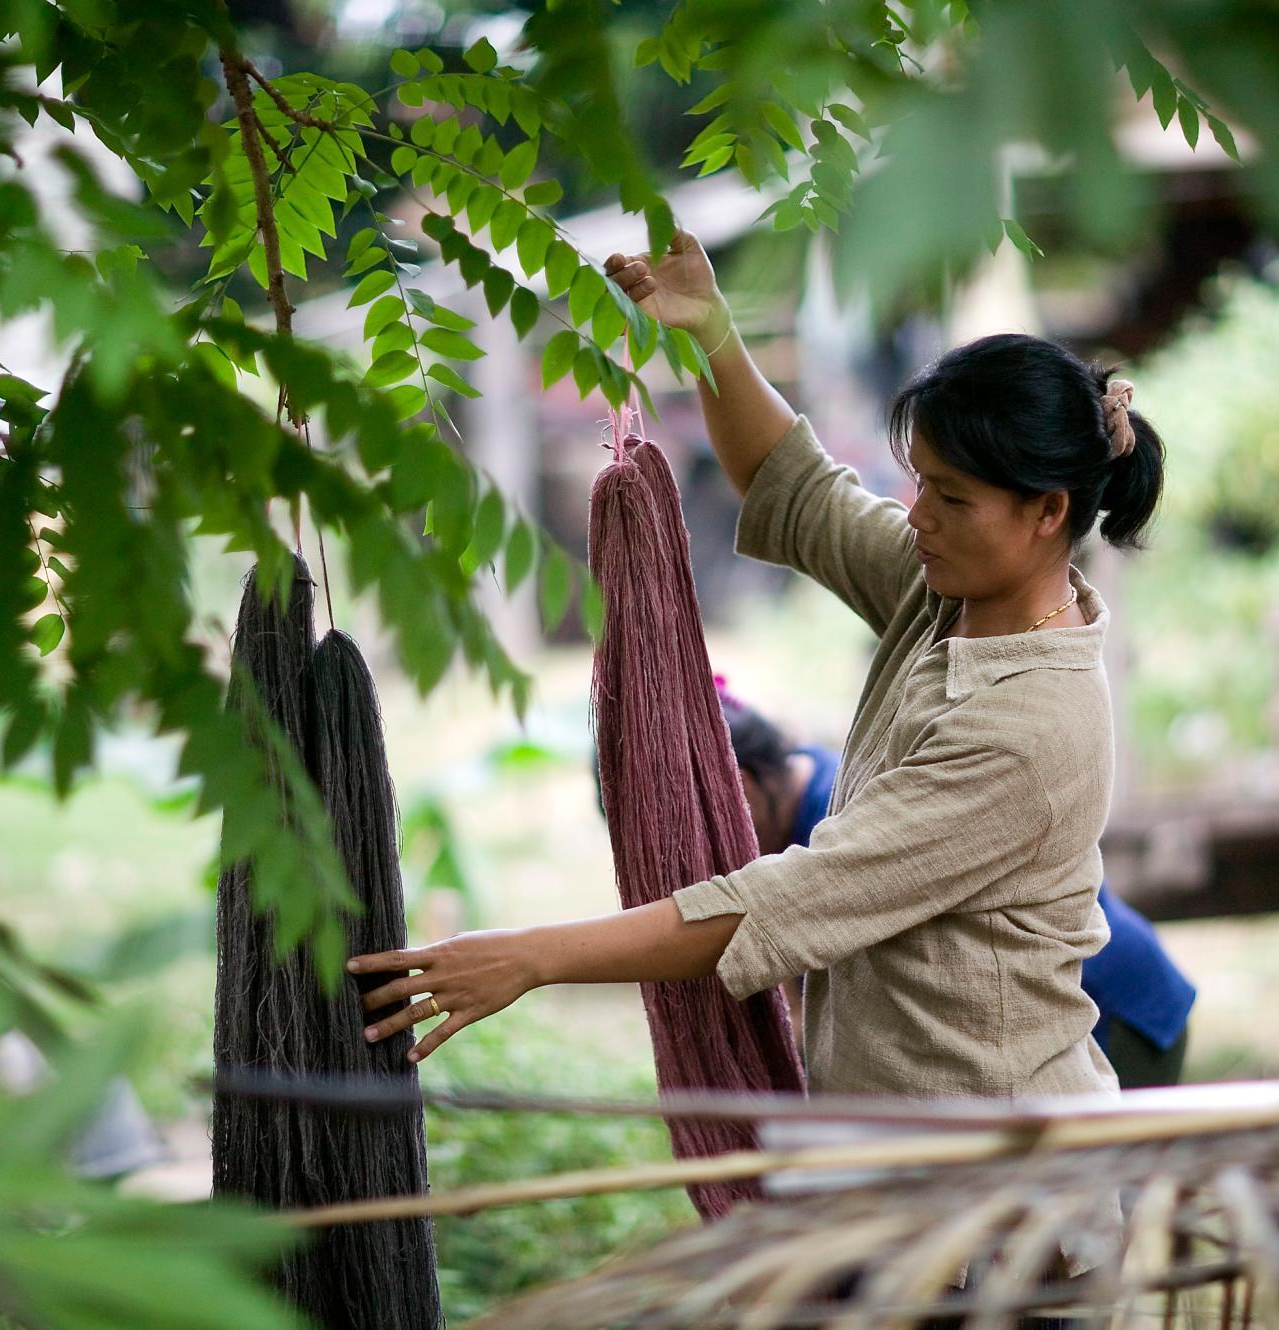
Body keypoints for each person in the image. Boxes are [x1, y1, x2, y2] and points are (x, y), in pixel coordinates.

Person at [348, 229, 1167, 1118]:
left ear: (1048, 512)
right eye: (919, 482)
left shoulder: (1029, 727)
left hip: (997, 1183)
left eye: (952, 498)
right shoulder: (946, 589)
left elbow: (787, 901)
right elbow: (799, 488)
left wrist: (532, 956)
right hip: (903, 1151)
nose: (917, 514)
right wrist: (710, 332)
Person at [719, 688, 1195, 1088]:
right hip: (1070, 1004)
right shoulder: (810, 771)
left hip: (1113, 1006)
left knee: (1101, 1190)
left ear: (743, 788)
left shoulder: (839, 823)